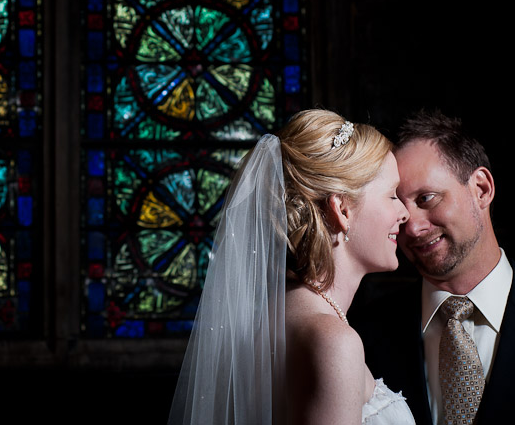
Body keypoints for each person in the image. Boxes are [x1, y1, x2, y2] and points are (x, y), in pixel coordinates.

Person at [168, 109, 415, 424]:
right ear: (342, 209)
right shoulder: (333, 342)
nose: (404, 213)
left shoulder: (275, 315)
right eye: (392, 196)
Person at [352, 111, 515, 424]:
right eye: (397, 206)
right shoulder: (361, 337)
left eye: (426, 198)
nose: (411, 228)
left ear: (481, 188)